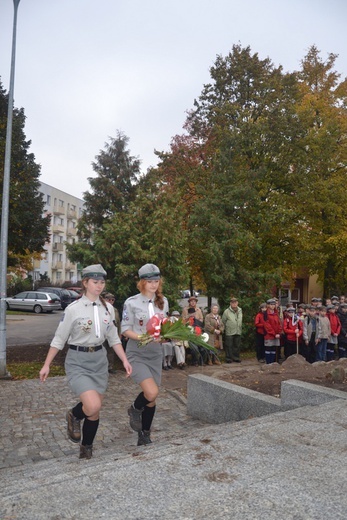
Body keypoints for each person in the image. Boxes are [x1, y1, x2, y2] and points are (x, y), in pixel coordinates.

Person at [39, 264, 132, 460]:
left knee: (95, 410)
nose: (99, 286)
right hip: (78, 361)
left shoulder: (107, 309)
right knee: (92, 405)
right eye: (95, 282)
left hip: (99, 361)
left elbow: (114, 338)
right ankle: (74, 415)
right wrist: (47, 364)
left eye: (102, 282)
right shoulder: (74, 309)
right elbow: (59, 339)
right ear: (85, 283)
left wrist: (124, 360)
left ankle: (86, 447)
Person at [121, 263, 169, 446]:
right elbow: (125, 329)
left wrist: (166, 336)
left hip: (156, 354)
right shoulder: (131, 302)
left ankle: (144, 434)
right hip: (137, 353)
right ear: (142, 282)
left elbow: (163, 327)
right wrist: (143, 337)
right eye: (149, 281)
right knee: (151, 391)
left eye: (156, 281)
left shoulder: (163, 301)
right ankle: (134, 409)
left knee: (151, 398)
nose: (153, 284)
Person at [182, 296, 205, 366]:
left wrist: (197, 321)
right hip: (189, 330)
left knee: (202, 346)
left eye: (194, 301)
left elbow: (201, 319)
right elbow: (182, 320)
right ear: (189, 302)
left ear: (196, 302)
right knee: (193, 346)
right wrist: (189, 320)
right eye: (191, 301)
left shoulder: (198, 310)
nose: (193, 302)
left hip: (197, 329)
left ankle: (201, 361)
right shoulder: (185, 309)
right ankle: (194, 361)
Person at [103, 292, 121, 374]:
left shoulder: (115, 310)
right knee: (102, 351)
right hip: (103, 335)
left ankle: (110, 367)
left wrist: (119, 334)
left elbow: (118, 323)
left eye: (112, 299)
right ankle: (102, 367)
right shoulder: (101, 309)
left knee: (111, 352)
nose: (110, 301)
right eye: (108, 299)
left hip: (112, 334)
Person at [222, 297, 243, 363]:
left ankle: (236, 357)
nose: (234, 304)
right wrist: (225, 328)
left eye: (235, 302)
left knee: (237, 345)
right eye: (232, 302)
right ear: (230, 303)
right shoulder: (226, 311)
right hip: (229, 331)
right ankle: (228, 358)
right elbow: (223, 321)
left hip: (238, 330)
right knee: (229, 345)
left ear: (237, 303)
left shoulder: (240, 310)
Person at [262, 299, 282, 364]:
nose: (273, 306)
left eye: (274, 304)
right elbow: (267, 325)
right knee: (268, 349)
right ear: (268, 305)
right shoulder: (265, 314)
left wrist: (279, 332)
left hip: (276, 335)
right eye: (271, 304)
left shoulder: (276, 313)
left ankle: (273, 363)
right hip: (269, 335)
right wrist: (274, 333)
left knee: (274, 349)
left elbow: (279, 323)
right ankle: (268, 363)